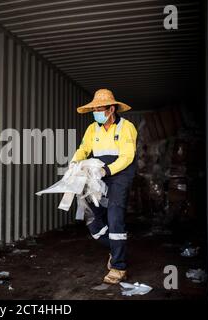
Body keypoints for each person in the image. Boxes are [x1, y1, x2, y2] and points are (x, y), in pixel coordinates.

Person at [70, 89, 137, 284]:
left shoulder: (126, 127)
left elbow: (127, 157)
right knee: (92, 217)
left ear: (111, 109)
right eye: (94, 109)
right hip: (98, 174)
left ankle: (118, 266)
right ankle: (116, 247)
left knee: (115, 216)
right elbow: (83, 149)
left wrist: (106, 171)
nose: (96, 112)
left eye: (100, 108)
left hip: (119, 175)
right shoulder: (92, 129)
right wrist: (74, 163)